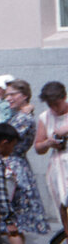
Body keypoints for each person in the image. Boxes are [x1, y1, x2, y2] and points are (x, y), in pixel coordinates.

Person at [0, 79, 48, 244]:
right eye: (7, 94)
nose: (8, 97)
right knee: (14, 220)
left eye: (13, 94)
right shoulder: (19, 115)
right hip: (14, 167)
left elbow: (4, 140)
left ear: (24, 96)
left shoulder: (24, 119)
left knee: (10, 220)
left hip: (14, 169)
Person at [36, 81, 68, 233]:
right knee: (63, 204)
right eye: (50, 105)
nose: (54, 108)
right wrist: (48, 143)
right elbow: (38, 147)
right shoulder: (45, 117)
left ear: (64, 98)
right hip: (59, 165)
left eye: (57, 104)